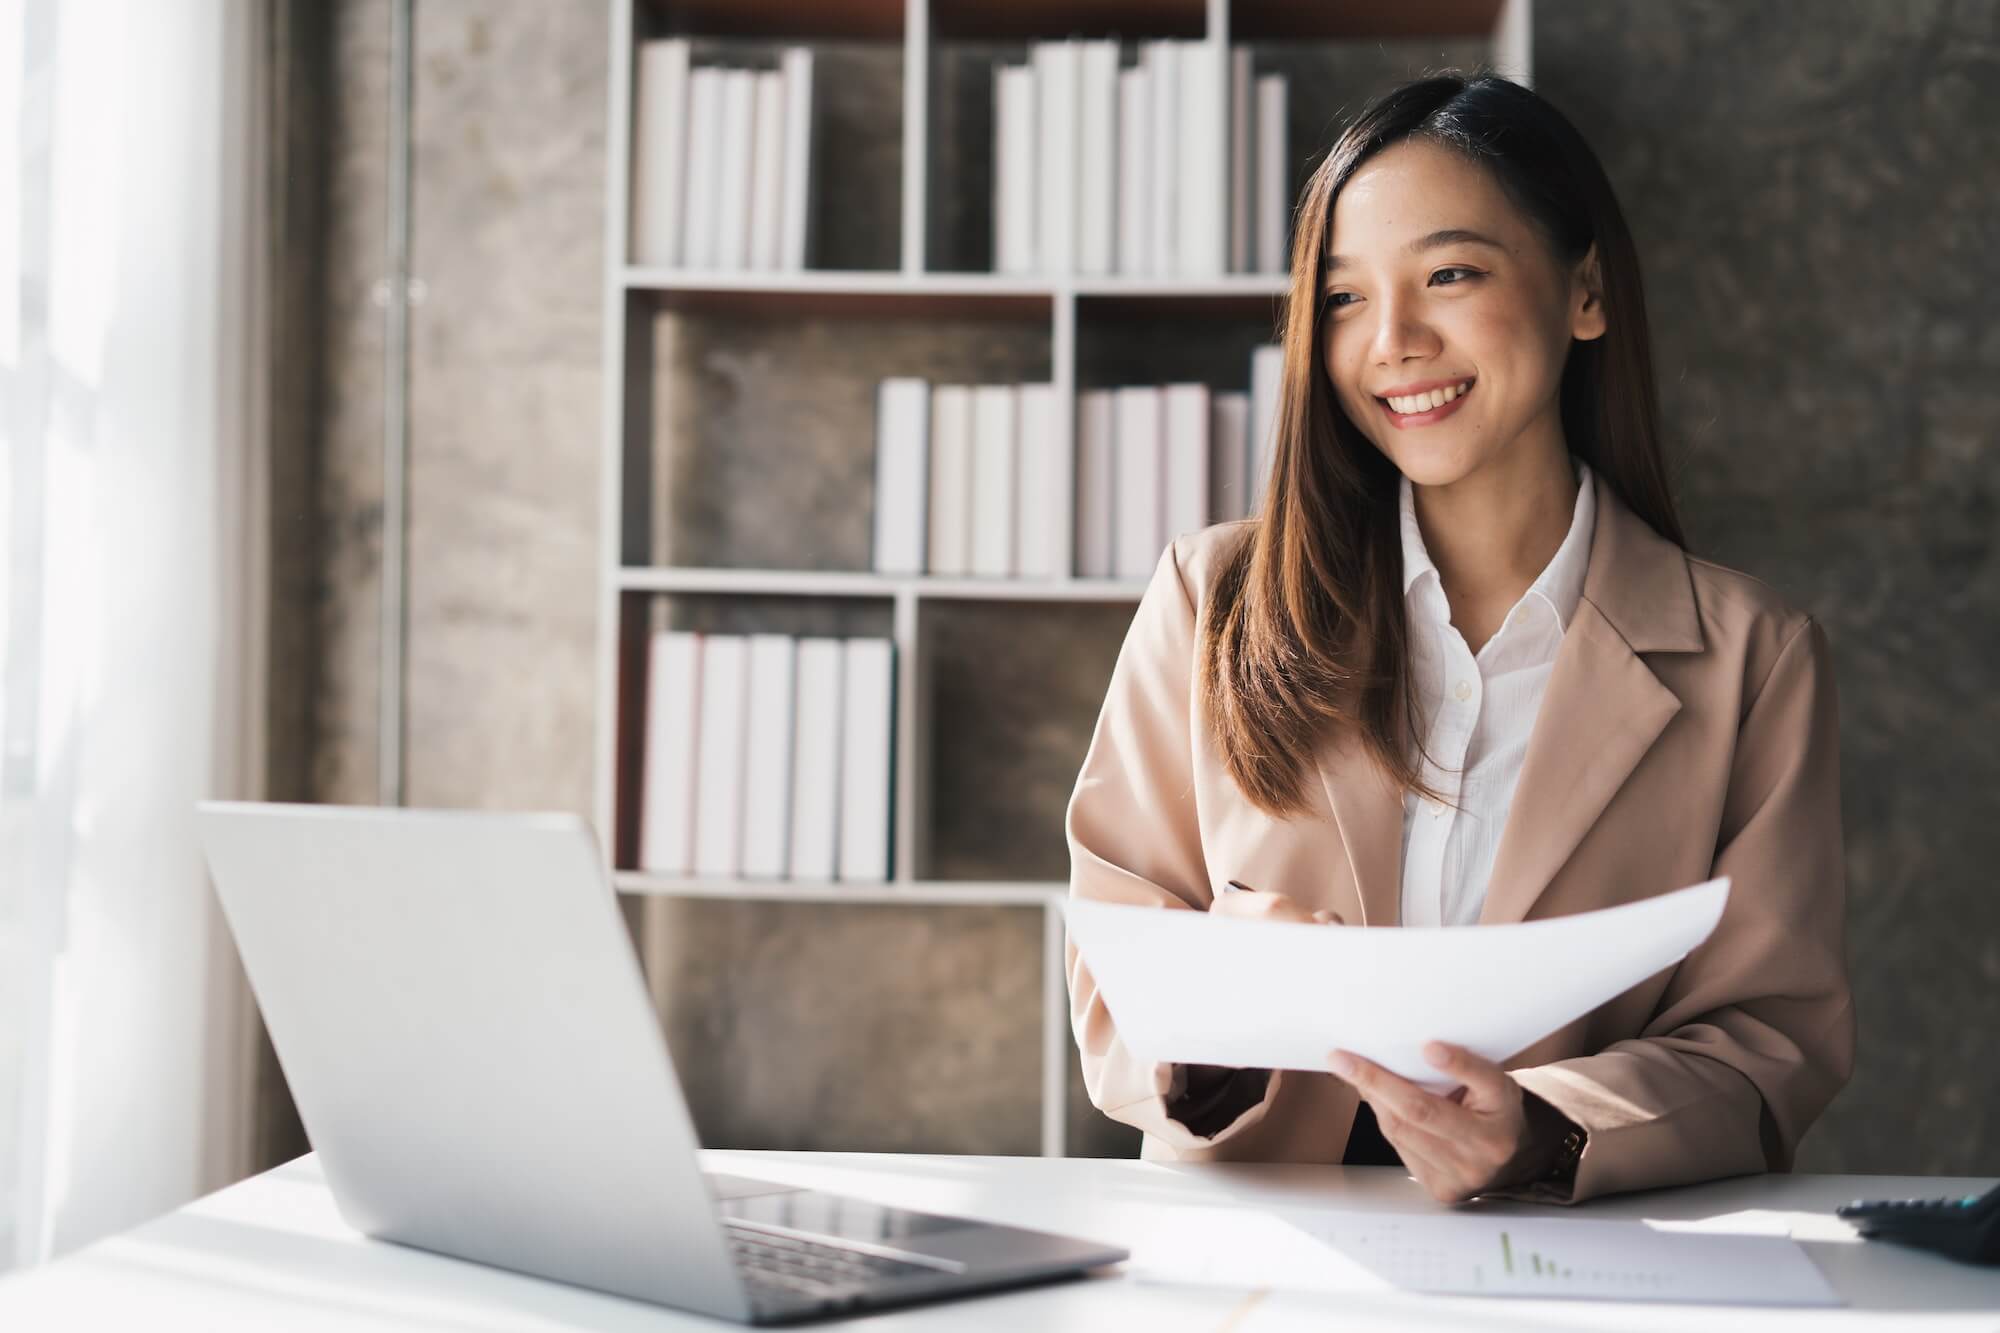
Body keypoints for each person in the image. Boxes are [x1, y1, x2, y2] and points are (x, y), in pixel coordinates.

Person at [1063, 71, 1853, 1205]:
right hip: (1252, 1251)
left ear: (1583, 292)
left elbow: (1771, 1035)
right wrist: (1222, 1001)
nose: (1392, 342)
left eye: (1448, 274)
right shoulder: (1212, 595)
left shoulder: (1751, 656)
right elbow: (1111, 948)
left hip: (1568, 1259)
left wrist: (1547, 1132)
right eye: (1341, 298)